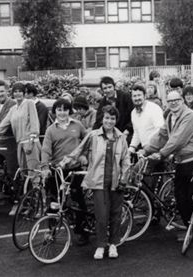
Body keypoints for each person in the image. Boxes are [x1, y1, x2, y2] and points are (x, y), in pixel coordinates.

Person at [61, 105, 130, 260]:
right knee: (101, 215)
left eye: (112, 118)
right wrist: (65, 161)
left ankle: (113, 244)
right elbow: (78, 150)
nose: (109, 121)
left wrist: (124, 178)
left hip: (116, 181)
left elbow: (125, 160)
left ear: (116, 120)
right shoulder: (93, 135)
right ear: (102, 119)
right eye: (106, 118)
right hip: (98, 181)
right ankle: (100, 245)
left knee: (115, 215)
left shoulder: (121, 138)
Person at [142, 91, 193, 242]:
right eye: (170, 101)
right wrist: (146, 149)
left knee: (190, 199)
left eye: (176, 100)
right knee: (180, 196)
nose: (173, 103)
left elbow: (178, 140)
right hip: (181, 161)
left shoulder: (189, 115)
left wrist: (161, 154)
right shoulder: (170, 116)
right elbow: (161, 136)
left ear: (182, 100)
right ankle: (190, 229)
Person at [41, 98, 89, 245]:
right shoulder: (50, 130)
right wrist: (44, 168)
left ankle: (82, 231)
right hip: (58, 170)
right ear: (55, 111)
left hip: (74, 169)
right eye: (59, 110)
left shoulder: (77, 125)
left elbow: (87, 140)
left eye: (65, 109)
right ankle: (51, 231)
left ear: (70, 111)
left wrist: (83, 156)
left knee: (78, 200)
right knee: (54, 202)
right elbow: (46, 150)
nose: (62, 113)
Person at [0, 82, 41, 171]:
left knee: (34, 172)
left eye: (20, 91)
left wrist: (31, 141)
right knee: (23, 172)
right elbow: (3, 124)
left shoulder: (29, 103)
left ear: (24, 93)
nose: (17, 93)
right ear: (12, 93)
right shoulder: (13, 109)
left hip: (30, 142)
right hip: (19, 143)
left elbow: (34, 123)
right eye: (15, 91)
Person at [93, 77, 134, 142]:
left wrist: (128, 130)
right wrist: (94, 134)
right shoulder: (102, 102)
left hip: (126, 132)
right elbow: (98, 120)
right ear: (102, 90)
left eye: (110, 87)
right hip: (109, 134)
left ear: (114, 87)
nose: (108, 90)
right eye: (105, 88)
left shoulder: (125, 97)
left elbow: (133, 115)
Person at [128, 85, 164, 154]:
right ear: (131, 98)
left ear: (144, 96)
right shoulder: (133, 113)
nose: (137, 98)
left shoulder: (154, 108)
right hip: (146, 149)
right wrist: (131, 148)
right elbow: (137, 133)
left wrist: (147, 149)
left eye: (139, 95)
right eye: (134, 96)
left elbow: (160, 130)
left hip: (158, 149)